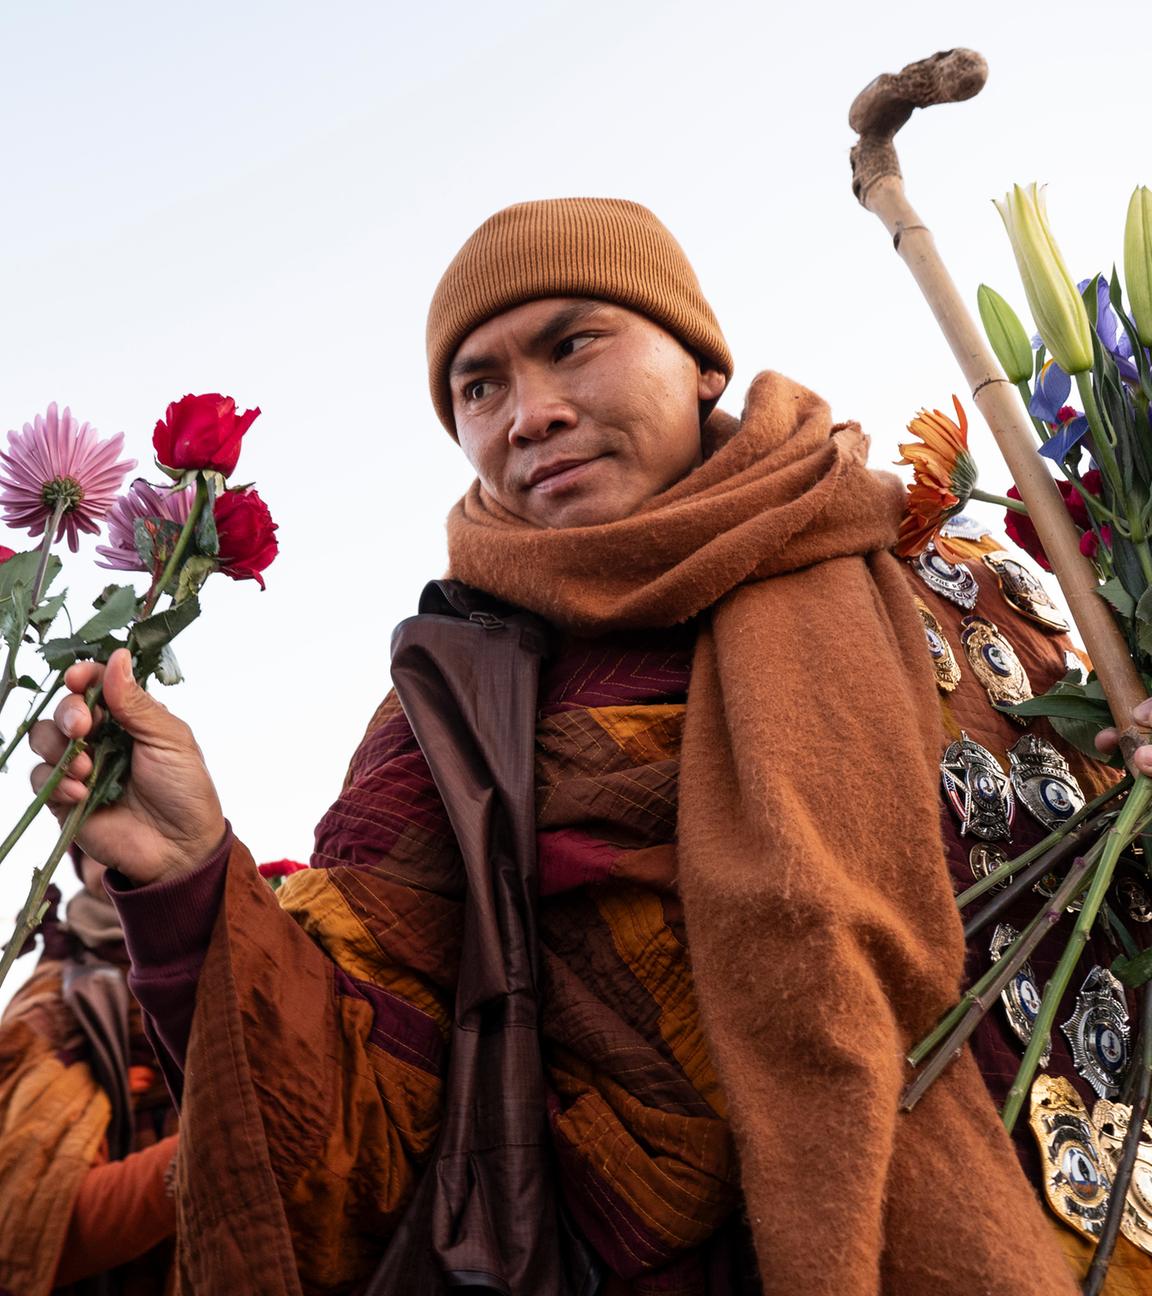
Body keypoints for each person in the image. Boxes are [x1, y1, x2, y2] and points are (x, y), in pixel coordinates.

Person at [26, 198, 1152, 1295]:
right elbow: (357, 1139)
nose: (530, 414)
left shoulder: (941, 577)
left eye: (574, 344)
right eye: (480, 387)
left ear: (702, 361)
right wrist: (184, 876)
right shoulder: (459, 702)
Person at [0, 848, 179, 1295]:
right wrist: (206, 1155)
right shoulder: (56, 982)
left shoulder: (240, 939)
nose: (117, 854)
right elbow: (33, 1219)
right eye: (95, 849)